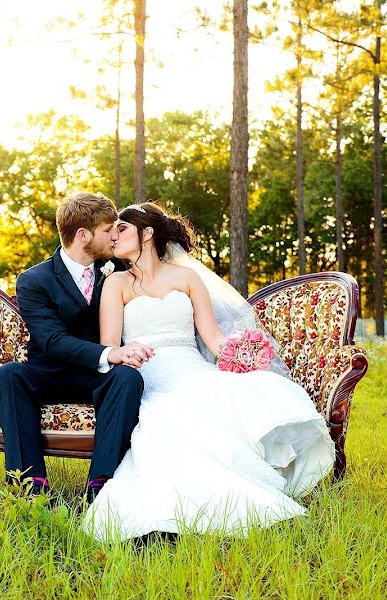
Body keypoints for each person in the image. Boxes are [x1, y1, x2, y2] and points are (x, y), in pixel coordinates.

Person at [84, 202, 335, 541]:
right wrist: (126, 352)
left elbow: (213, 337)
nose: (113, 235)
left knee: (228, 394)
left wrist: (242, 354)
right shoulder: (116, 283)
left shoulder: (187, 277)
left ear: (147, 233)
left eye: (122, 228)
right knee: (166, 421)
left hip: (192, 369)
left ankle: (249, 494)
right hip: (147, 374)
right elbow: (110, 343)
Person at [0, 192, 154, 503]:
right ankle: (30, 486)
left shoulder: (114, 269)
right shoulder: (33, 280)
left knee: (128, 378)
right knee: (9, 374)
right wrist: (111, 353)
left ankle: (102, 485)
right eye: (109, 230)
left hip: (94, 377)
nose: (115, 235)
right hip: (48, 374)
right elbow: (51, 340)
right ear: (83, 235)